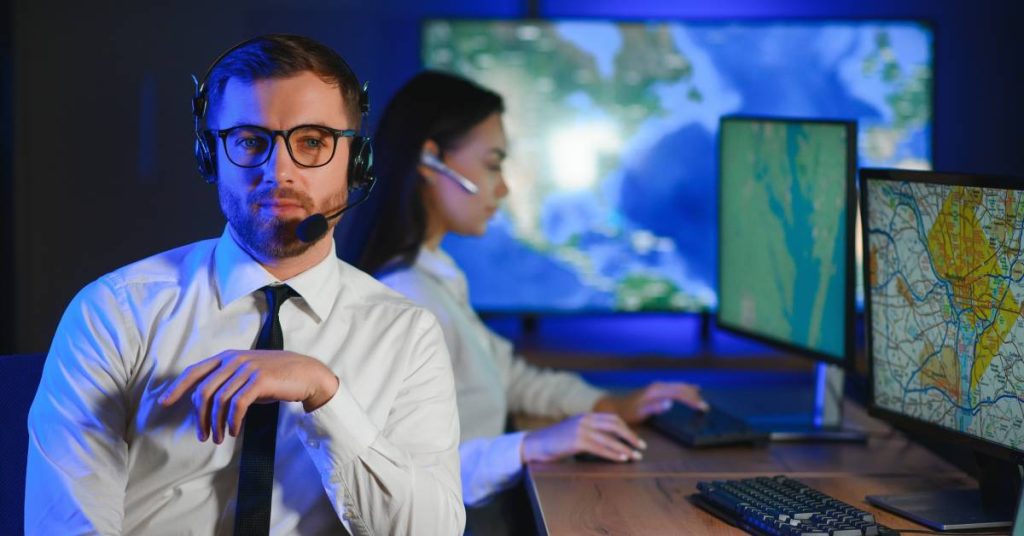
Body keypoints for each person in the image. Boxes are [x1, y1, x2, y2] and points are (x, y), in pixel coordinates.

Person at [25, 35, 464, 535]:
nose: (279, 172)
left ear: (357, 162)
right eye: (250, 141)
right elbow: (65, 526)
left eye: (313, 142)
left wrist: (327, 395)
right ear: (209, 155)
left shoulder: (407, 334)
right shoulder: (115, 313)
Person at [358, 71, 708, 514]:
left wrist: (613, 405)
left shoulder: (436, 277)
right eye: (492, 164)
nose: (502, 187)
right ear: (431, 161)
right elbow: (401, 479)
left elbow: (508, 377)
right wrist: (531, 445)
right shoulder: (407, 297)